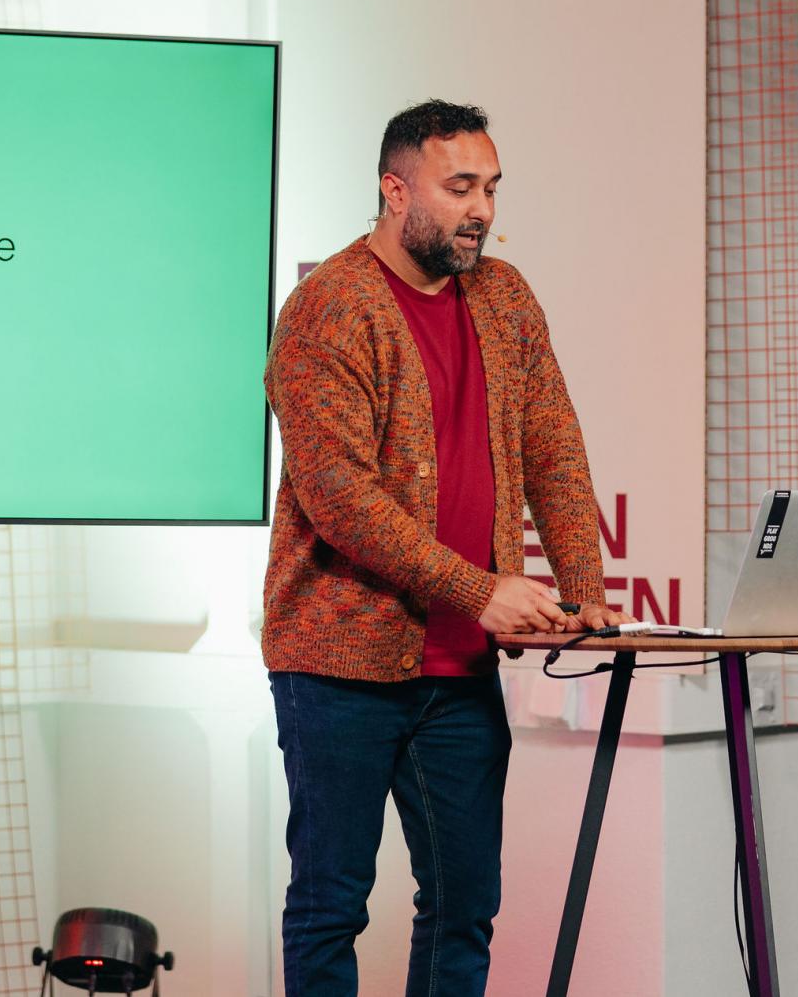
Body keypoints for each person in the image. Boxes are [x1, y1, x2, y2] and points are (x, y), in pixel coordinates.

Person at [262, 99, 631, 996]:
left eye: (492, 188)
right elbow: (343, 499)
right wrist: (479, 590)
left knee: (465, 902)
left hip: (460, 671)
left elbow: (554, 447)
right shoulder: (328, 309)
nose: (482, 209)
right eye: (459, 186)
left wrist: (582, 586)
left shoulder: (504, 297)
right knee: (331, 905)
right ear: (396, 190)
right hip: (337, 664)